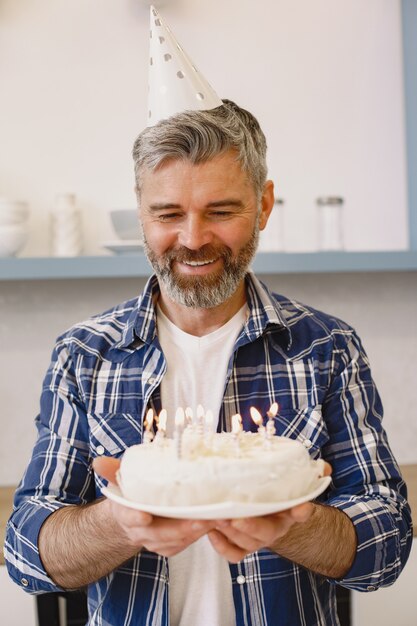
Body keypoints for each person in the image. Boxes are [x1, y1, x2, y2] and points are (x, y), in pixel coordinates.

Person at [4, 99, 412, 626]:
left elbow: (389, 544)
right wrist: (119, 524)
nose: (193, 240)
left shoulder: (326, 348)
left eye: (221, 212)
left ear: (264, 205)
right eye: (168, 214)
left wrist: (295, 525)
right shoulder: (84, 356)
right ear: (140, 212)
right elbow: (24, 552)